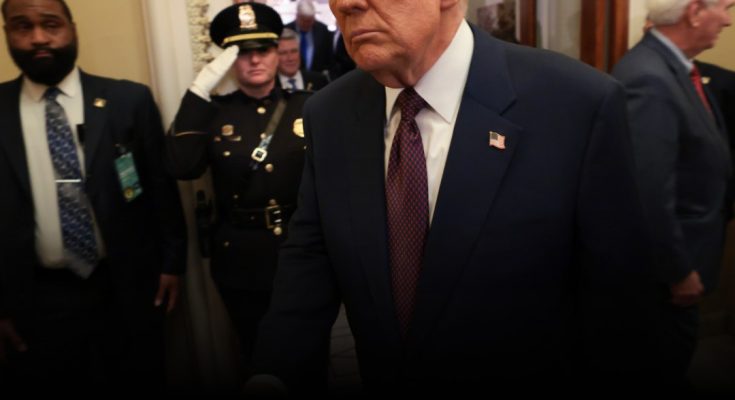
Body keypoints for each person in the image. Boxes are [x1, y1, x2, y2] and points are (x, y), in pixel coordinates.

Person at [251, 0, 655, 395]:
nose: (346, 5)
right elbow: (311, 254)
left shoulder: (575, 103)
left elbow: (619, 302)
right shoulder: (329, 113)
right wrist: (275, 374)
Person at [0, 0, 186, 394]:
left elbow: (160, 188)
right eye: (22, 26)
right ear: (7, 34)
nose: (38, 37)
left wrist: (172, 263)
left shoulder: (128, 101)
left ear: (72, 27)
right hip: (36, 299)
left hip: (127, 286)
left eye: (50, 24)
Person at [164, 2, 311, 381]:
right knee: (258, 357)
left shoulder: (308, 106)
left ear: (277, 52)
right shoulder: (214, 113)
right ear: (228, 60)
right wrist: (200, 88)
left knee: (309, 356)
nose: (255, 59)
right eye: (242, 52)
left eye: (263, 49)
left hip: (303, 253)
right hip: (242, 259)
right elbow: (181, 165)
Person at [612, 0, 734, 388]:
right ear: (694, 12)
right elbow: (648, 191)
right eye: (726, 8)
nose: (728, 21)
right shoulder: (649, 78)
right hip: (667, 277)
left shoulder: (674, 67)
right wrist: (677, 271)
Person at [285, 0, 334, 75]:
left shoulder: (323, 30)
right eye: (304, 20)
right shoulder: (286, 30)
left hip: (318, 76)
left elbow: (329, 56)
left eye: (310, 21)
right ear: (297, 16)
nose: (307, 24)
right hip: (293, 75)